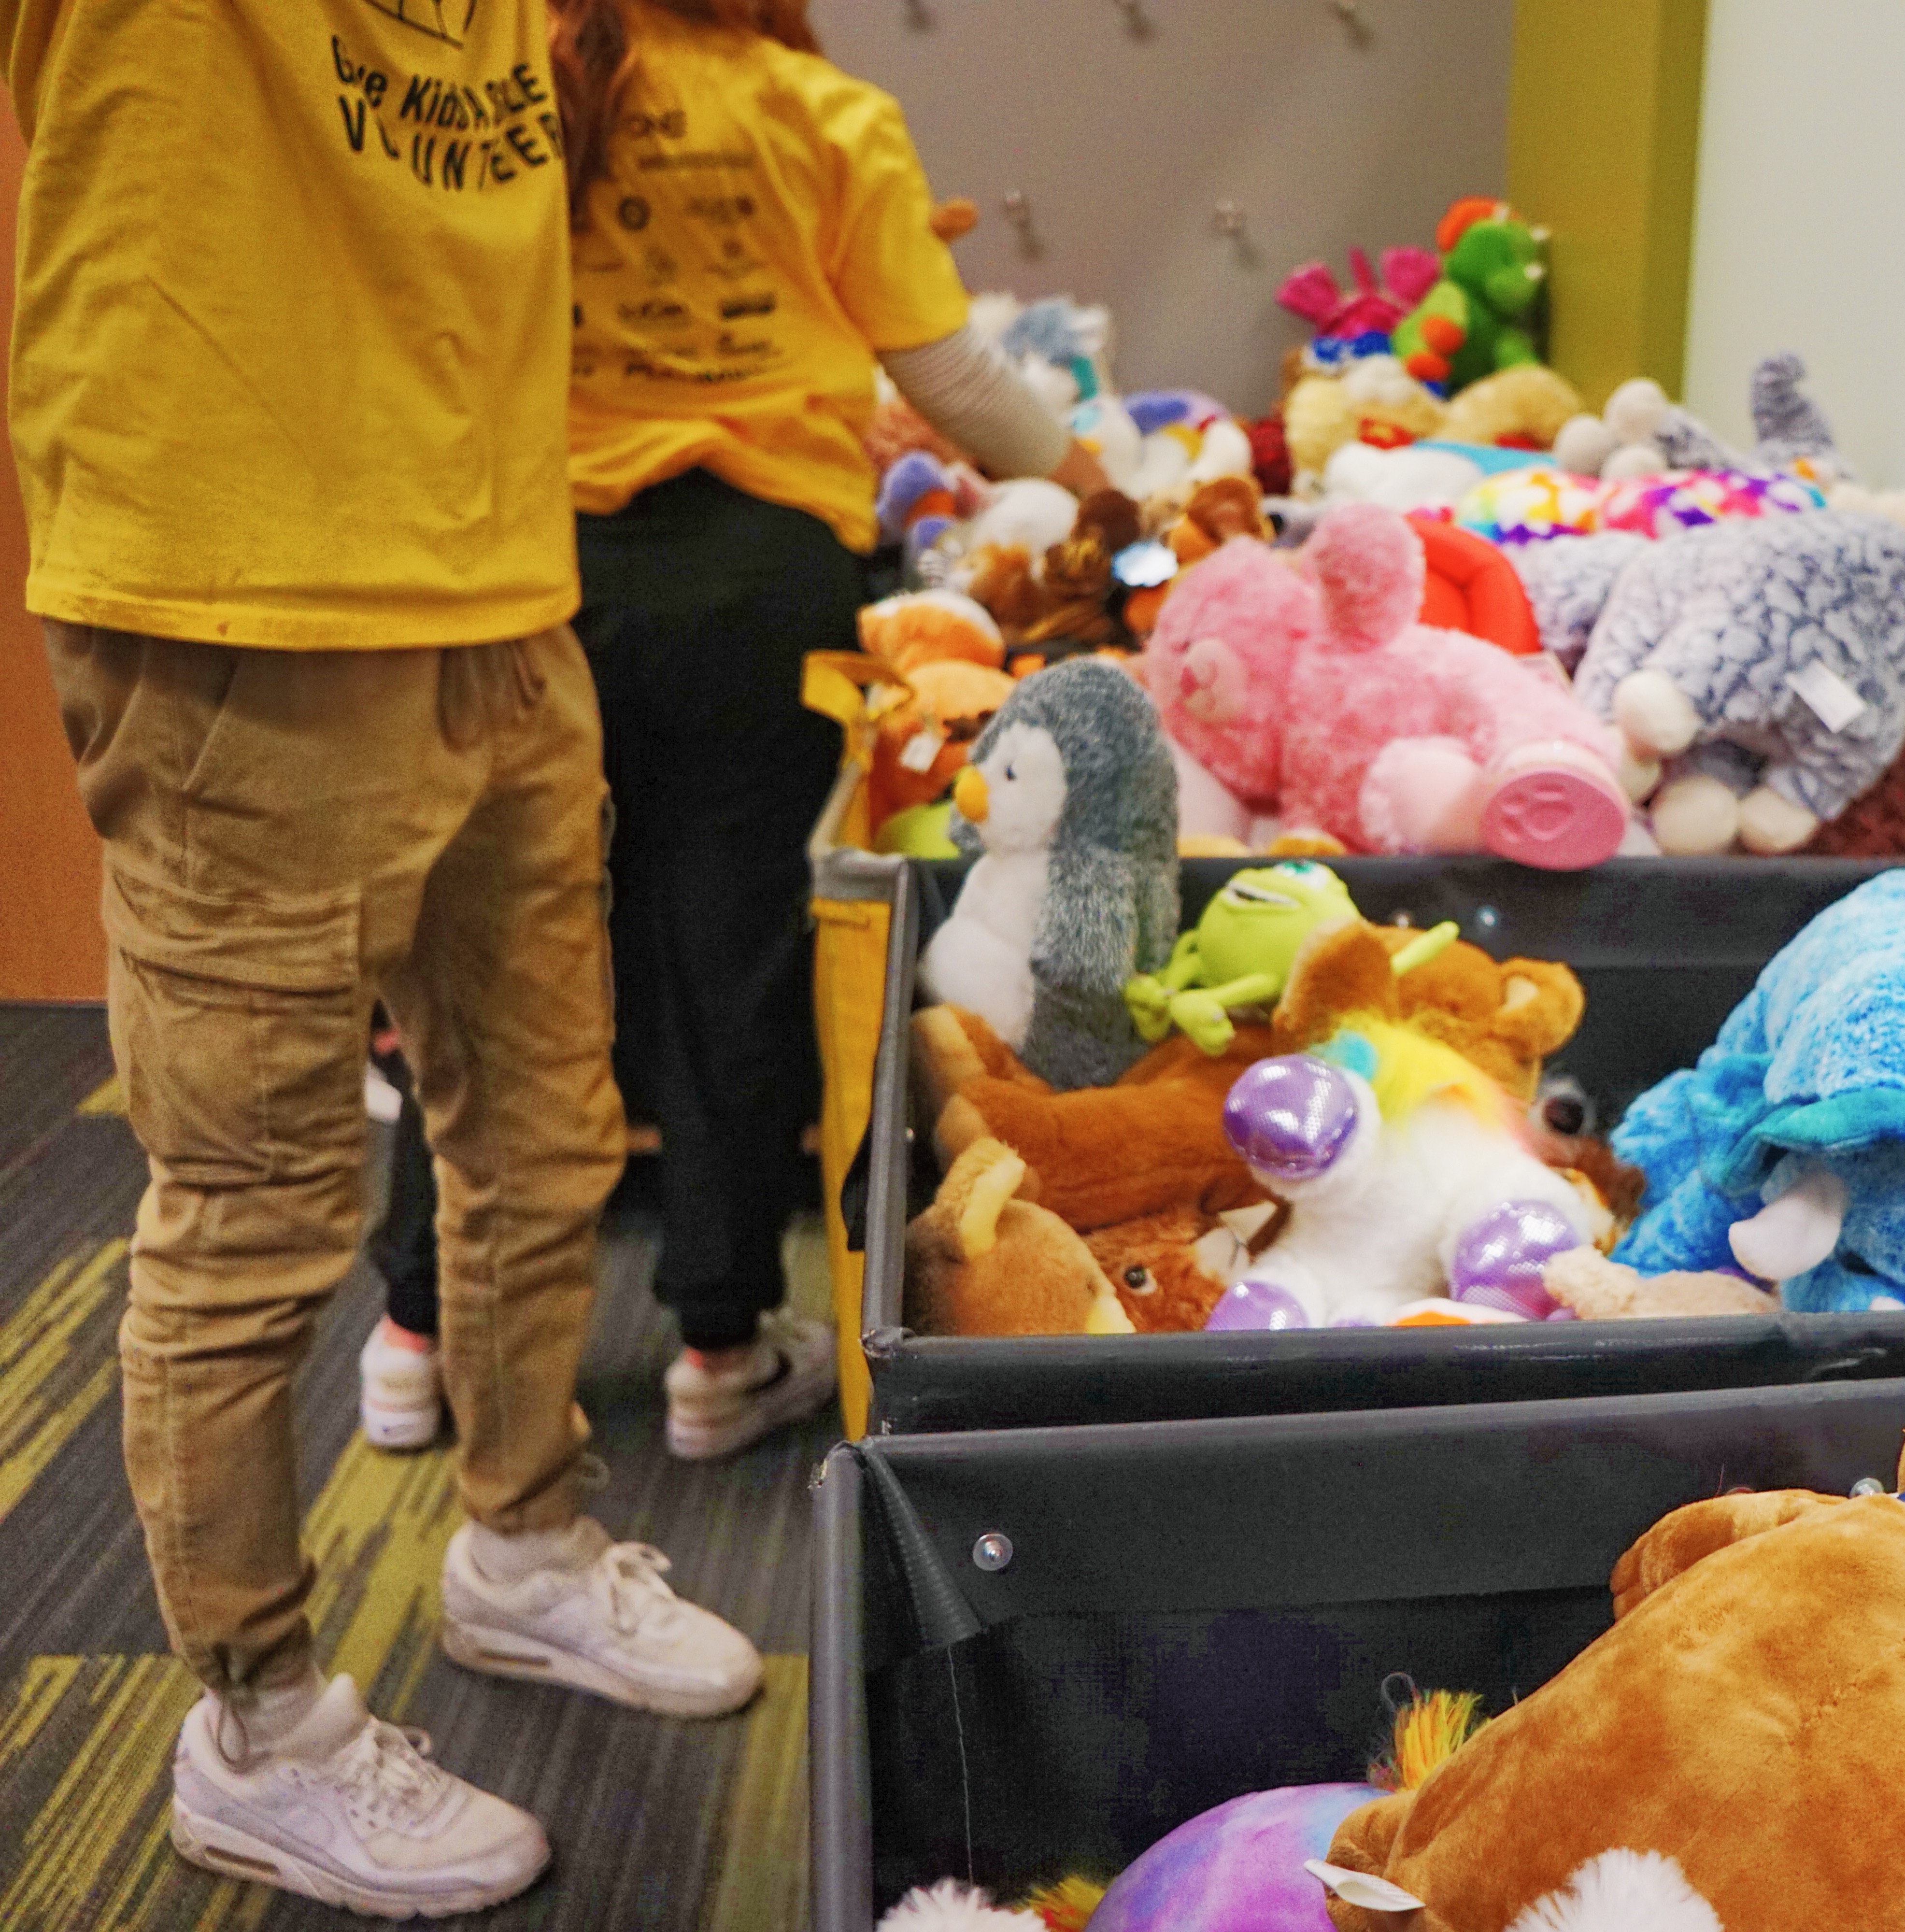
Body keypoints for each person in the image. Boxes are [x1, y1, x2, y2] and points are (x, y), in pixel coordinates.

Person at [12, 1, 766, 1915]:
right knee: (255, 1205)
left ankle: (521, 1541)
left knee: (543, 1128)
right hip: (233, 609)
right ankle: (254, 1726)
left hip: (499, 582)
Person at [365, 0, 1108, 1467]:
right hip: (752, 578)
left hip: (528, 562)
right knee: (731, 951)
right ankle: (717, 1344)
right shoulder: (817, 112)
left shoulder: (510, 83)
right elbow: (949, 378)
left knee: (492, 954)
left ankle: (413, 1332)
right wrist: (1105, 498)